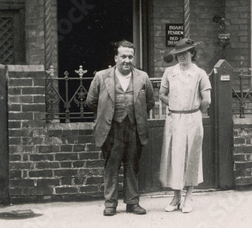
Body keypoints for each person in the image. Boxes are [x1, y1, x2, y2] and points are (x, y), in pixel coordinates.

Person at [86, 40, 155, 216]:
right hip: (111, 129)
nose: (127, 60)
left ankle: (133, 202)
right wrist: (108, 114)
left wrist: (134, 114)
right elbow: (91, 101)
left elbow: (149, 102)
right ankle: (110, 204)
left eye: (130, 56)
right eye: (123, 56)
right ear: (116, 57)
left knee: (132, 165)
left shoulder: (143, 77)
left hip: (134, 127)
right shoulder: (101, 77)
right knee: (111, 166)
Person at [158, 38, 211, 214]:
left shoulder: (200, 73)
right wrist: (173, 103)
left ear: (192, 53)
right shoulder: (169, 72)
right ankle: (176, 197)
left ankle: (189, 196)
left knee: (191, 156)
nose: (181, 56)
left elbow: (207, 100)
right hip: (174, 119)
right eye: (178, 54)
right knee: (174, 156)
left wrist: (193, 110)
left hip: (192, 119)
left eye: (185, 53)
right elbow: (162, 93)